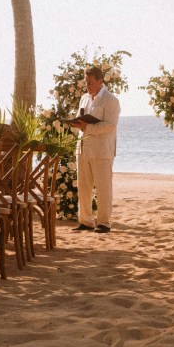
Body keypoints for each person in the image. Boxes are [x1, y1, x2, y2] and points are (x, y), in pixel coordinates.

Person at [71, 66, 121, 234]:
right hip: (83, 148)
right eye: (86, 82)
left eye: (91, 82)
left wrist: (88, 127)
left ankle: (104, 223)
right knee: (83, 187)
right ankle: (86, 221)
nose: (88, 86)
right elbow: (81, 121)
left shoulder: (111, 100)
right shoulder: (84, 98)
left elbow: (110, 126)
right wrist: (75, 124)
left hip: (102, 152)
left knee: (103, 188)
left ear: (100, 81)